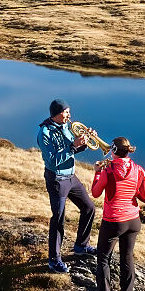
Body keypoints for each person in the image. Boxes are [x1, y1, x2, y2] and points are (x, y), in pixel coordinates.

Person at [90, 137, 145, 291]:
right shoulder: (139, 170)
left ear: (114, 151)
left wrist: (96, 172)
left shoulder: (108, 170)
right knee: (127, 257)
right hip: (133, 220)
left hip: (113, 221)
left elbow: (95, 193)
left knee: (103, 259)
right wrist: (132, 192)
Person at [37, 99, 98, 273]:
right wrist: (72, 146)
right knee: (58, 218)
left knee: (89, 207)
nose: (69, 116)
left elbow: (74, 149)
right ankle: (54, 260)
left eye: (69, 112)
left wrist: (85, 141)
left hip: (71, 176)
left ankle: (81, 246)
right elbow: (53, 160)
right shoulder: (45, 132)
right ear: (56, 114)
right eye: (66, 113)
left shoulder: (66, 127)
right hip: (57, 179)